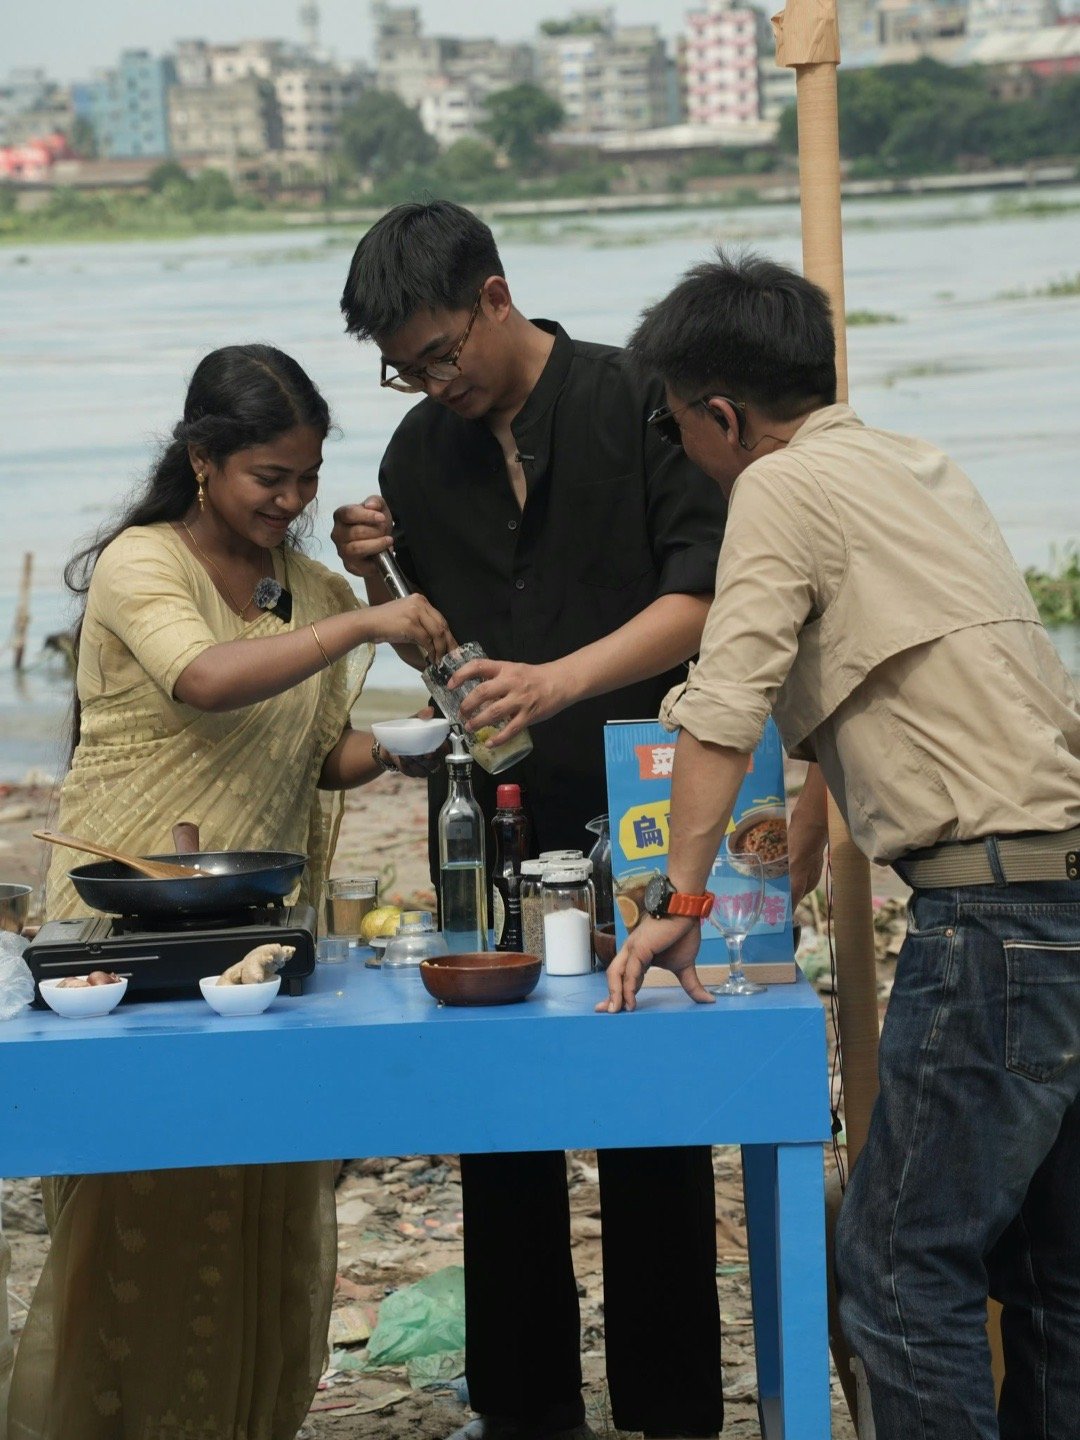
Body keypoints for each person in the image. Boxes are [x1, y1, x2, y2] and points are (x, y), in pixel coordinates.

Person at [602, 251, 1080, 1440]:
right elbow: (889, 669)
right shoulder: (916, 466)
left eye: (678, 430)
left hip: (998, 921)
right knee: (1056, 1272)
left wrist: (682, 901)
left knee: (902, 1267)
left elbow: (725, 704)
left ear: (724, 414)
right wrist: (807, 831)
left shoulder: (777, 485)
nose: (690, 456)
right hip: (1060, 891)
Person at [331, 201, 730, 1440]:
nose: (428, 382)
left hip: (651, 808)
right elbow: (446, 651)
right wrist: (374, 581)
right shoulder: (415, 455)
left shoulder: (637, 400)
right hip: (494, 819)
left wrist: (562, 678)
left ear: (496, 298)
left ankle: (669, 1408)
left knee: (649, 1112)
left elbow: (705, 598)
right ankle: (527, 1408)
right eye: (403, 365)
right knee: (499, 1115)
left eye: (440, 352)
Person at [7, 344, 453, 1440]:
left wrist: (405, 747)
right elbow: (205, 681)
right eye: (270, 478)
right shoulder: (140, 564)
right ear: (203, 460)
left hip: (258, 929)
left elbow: (311, 752)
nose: (292, 502)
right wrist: (360, 620)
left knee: (270, 1187)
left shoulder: (303, 586)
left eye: (307, 478)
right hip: (124, 917)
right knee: (140, 1199)